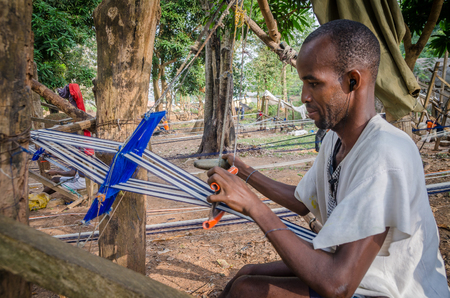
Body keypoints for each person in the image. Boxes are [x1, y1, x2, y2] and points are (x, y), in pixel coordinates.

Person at [206, 20, 449, 298]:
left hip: (388, 289)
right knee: (246, 273)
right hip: (358, 275)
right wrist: (245, 174)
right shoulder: (335, 139)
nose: (304, 97)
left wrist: (253, 206)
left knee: (249, 291)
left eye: (314, 83)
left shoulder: (385, 154)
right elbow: (303, 199)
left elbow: (338, 285)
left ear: (352, 81)